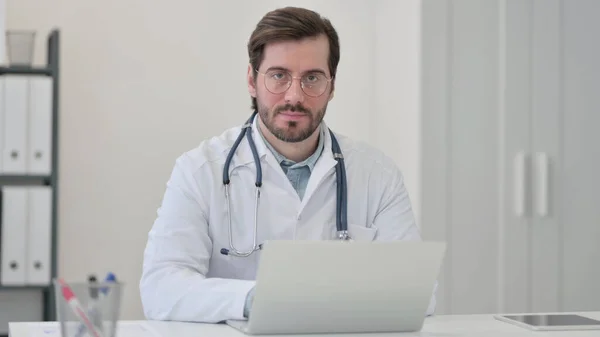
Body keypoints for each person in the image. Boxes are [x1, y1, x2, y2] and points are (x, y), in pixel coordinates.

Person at [139, 6, 437, 324]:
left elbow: (418, 294)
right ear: (252, 81)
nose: (295, 95)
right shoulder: (200, 171)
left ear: (332, 87)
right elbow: (161, 288)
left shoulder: (377, 174)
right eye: (278, 76)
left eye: (312, 78)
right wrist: (259, 300)